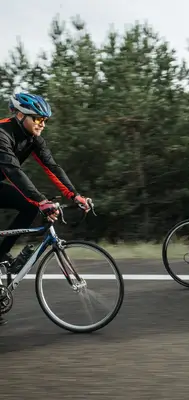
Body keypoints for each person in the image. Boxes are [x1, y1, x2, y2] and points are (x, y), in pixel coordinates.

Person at [0, 92, 92, 325]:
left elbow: (52, 167)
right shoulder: (2, 133)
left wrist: (75, 195)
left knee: (29, 208)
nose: (42, 124)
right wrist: (42, 200)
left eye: (45, 120)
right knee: (34, 203)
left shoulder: (33, 138)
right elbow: (13, 171)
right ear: (20, 115)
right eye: (38, 118)